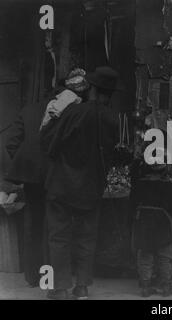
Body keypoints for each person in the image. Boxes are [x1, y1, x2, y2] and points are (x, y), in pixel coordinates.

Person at [40, 66, 120, 300]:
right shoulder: (112, 118)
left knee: (59, 237)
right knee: (87, 237)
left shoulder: (74, 112)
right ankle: (82, 287)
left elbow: (48, 143)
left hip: (62, 184)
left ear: (91, 88)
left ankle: (61, 288)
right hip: (92, 186)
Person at [5, 69, 90, 288]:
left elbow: (11, 143)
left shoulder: (29, 109)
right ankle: (51, 277)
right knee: (56, 225)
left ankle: (34, 275)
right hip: (56, 174)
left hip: (32, 176)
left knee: (33, 222)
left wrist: (27, 166)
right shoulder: (72, 110)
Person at [130, 151, 172, 297]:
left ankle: (145, 286)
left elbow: (131, 206)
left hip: (143, 226)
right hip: (163, 227)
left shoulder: (138, 185)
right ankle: (166, 286)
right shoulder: (169, 186)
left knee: (144, 256)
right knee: (165, 256)